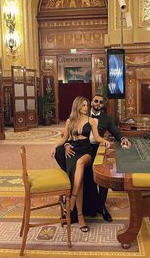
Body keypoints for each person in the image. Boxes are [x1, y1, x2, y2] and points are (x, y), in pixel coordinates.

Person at [56, 94, 131, 222]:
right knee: (62, 154)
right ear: (91, 102)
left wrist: (123, 139)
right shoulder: (76, 117)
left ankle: (101, 205)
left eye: (100, 102)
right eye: (95, 101)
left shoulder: (106, 119)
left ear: (103, 105)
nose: (97, 103)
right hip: (77, 147)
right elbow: (66, 136)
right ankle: (75, 207)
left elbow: (115, 132)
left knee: (104, 170)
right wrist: (67, 144)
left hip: (95, 149)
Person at [51, 96, 110, 232]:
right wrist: (55, 146)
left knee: (80, 162)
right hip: (73, 151)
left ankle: (71, 201)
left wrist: (105, 141)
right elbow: (65, 138)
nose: (86, 107)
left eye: (87, 105)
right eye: (83, 105)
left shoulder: (92, 121)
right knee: (79, 177)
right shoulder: (69, 121)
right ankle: (80, 215)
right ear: (77, 106)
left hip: (86, 151)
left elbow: (97, 137)